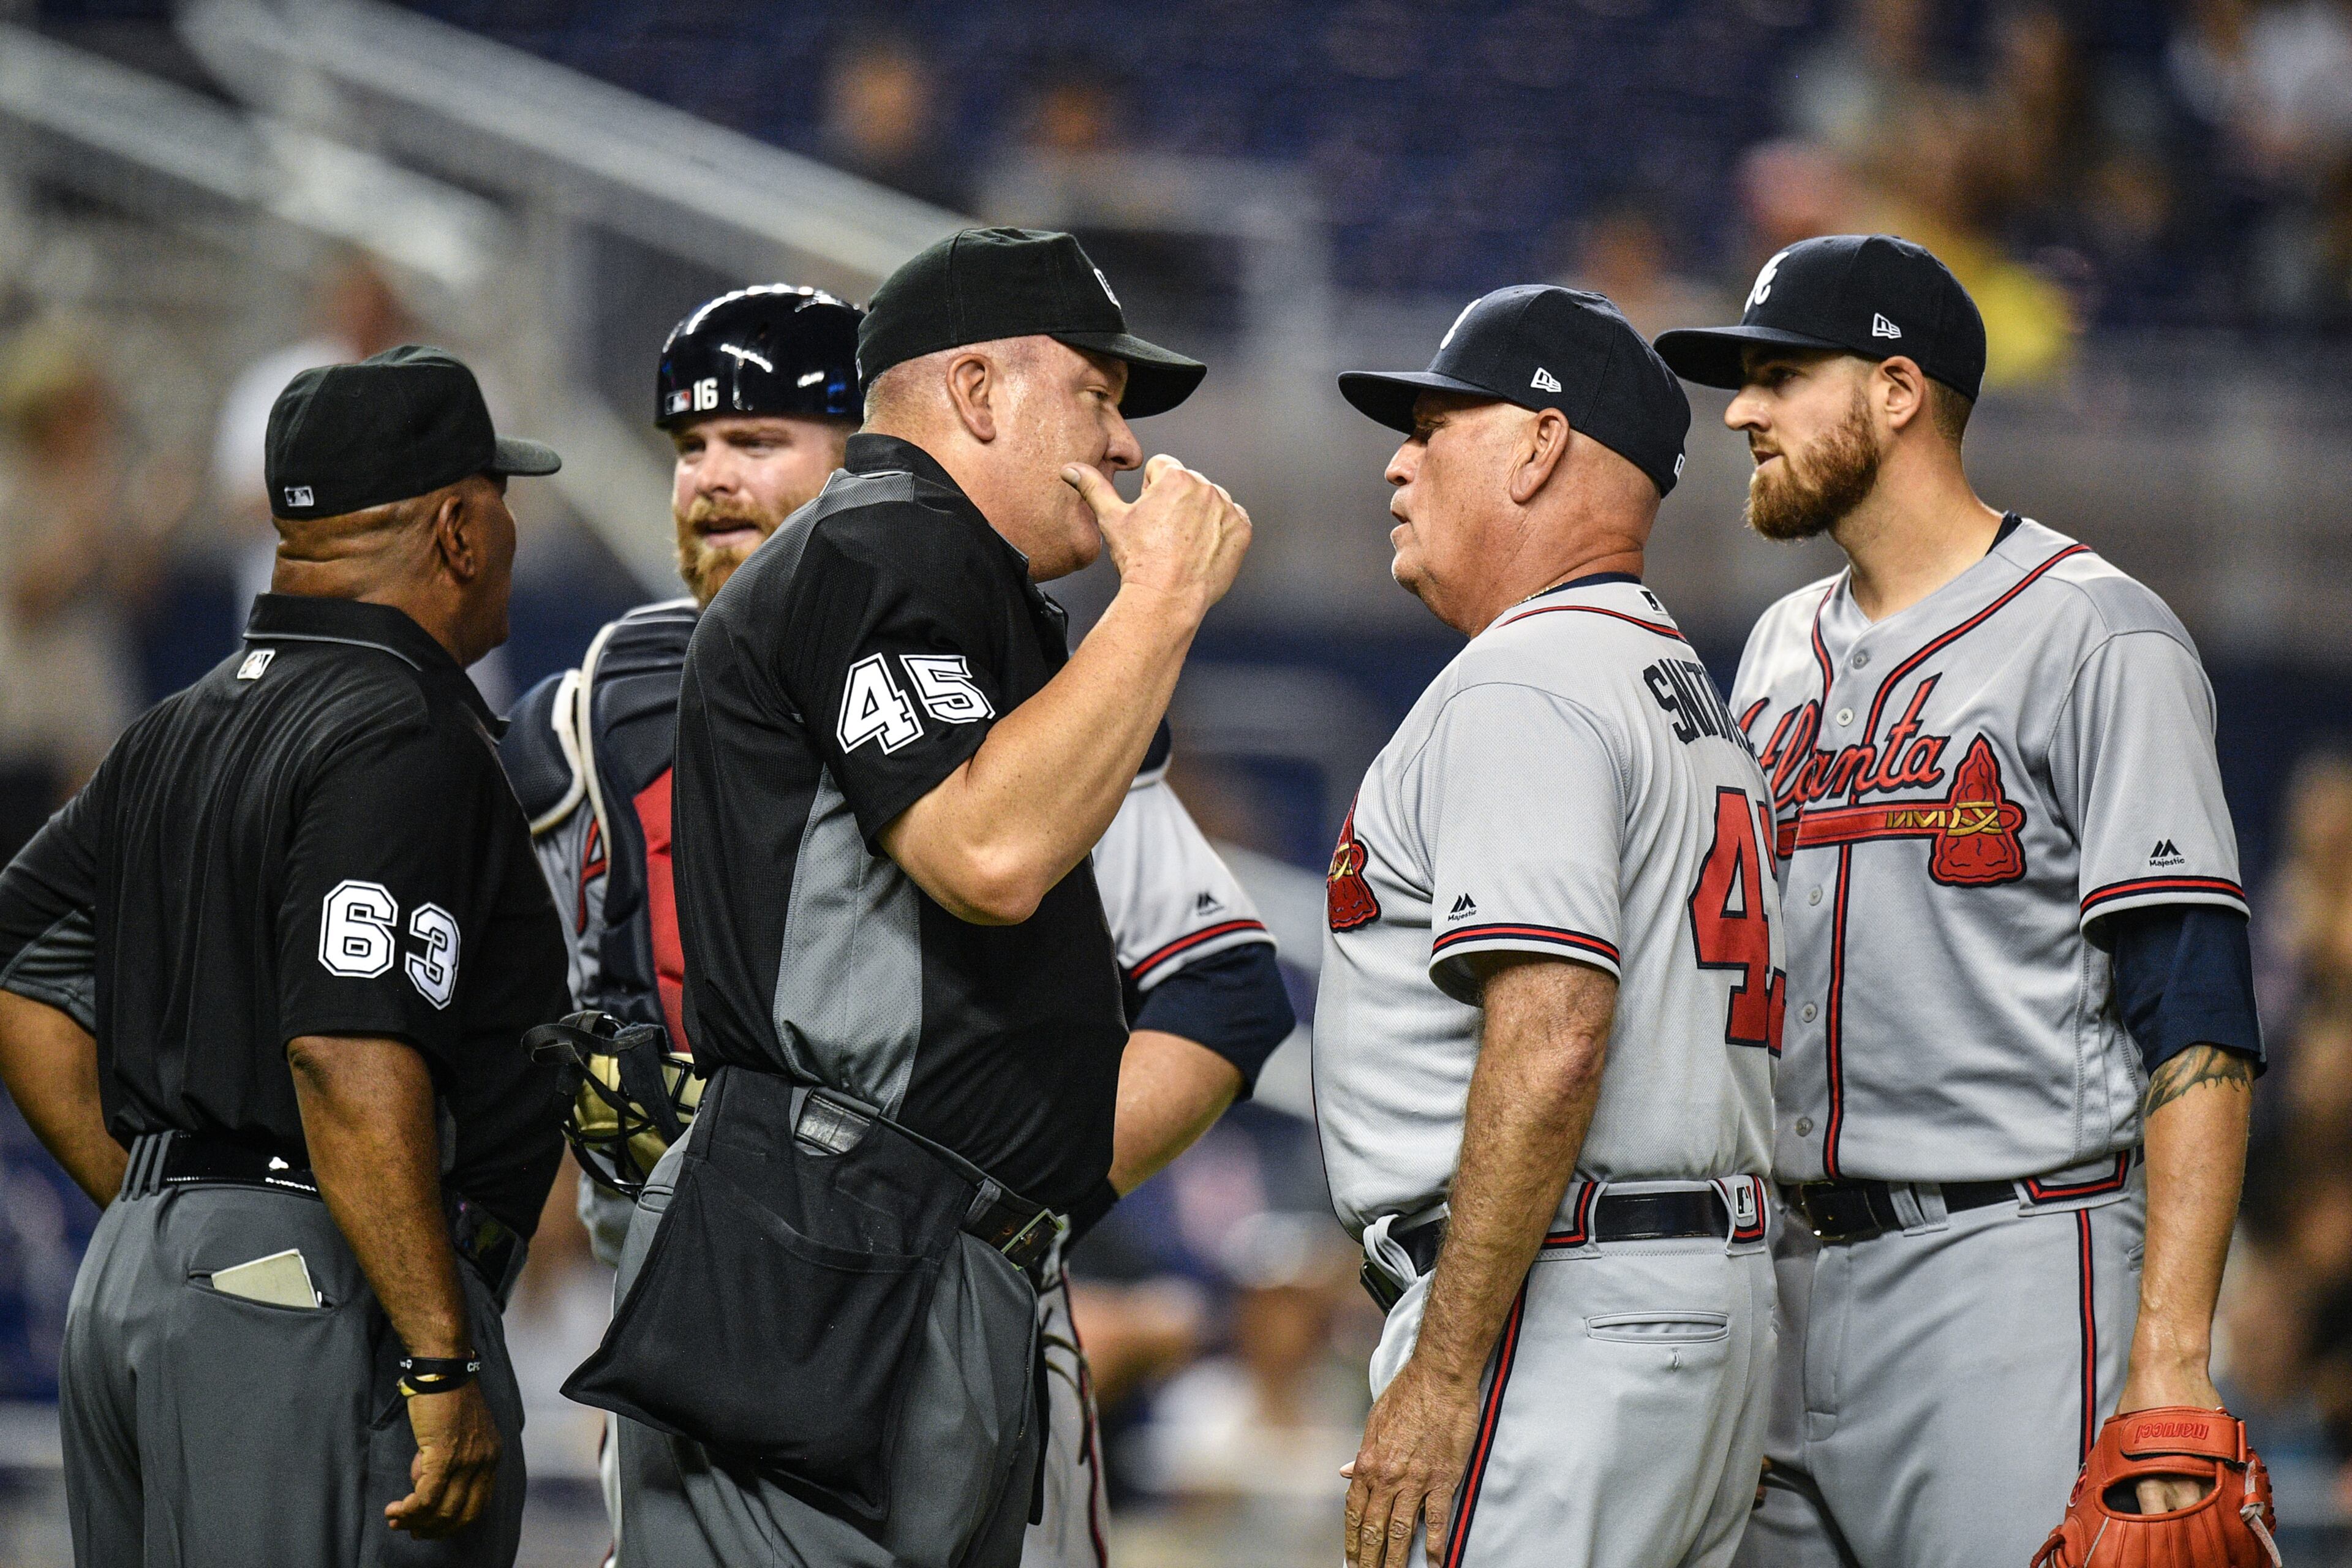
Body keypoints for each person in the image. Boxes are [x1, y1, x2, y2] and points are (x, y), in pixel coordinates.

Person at [501, 281, 1292, 1568]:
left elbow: (1224, 991)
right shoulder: (587, 710)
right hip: (692, 1300)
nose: (710, 479)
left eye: (759, 442)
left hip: (931, 1298)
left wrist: (994, 1208)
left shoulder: (1023, 689)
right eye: (691, 446)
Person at [1652, 233, 2268, 1568]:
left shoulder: (2097, 631)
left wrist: (2171, 1351)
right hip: (1786, 1278)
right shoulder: (1772, 650)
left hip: (2012, 1266)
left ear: (1896, 389)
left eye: (1777, 375)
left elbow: (2198, 1008)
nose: (1741, 410)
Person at [0, 345, 571, 1566]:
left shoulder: (174, 725)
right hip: (313, 1298)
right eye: (501, 502)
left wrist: (172, 1212)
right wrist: (433, 1349)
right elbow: (346, 1052)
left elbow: (22, 977)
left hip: (151, 1283)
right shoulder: (400, 730)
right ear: (459, 529)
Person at [1317, 285, 1780, 1568]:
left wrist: (1447, 1366)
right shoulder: (1680, 686)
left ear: (1537, 442)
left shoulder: (1525, 679)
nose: (1400, 461)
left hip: (1558, 1305)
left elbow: (1558, 1035)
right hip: (1702, 1308)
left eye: (1436, 424)